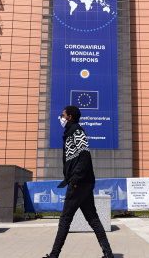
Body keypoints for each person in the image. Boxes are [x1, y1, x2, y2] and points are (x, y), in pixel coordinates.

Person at [44, 106, 114, 258]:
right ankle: (108, 254)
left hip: (79, 183)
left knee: (65, 220)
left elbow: (85, 157)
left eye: (62, 115)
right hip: (83, 183)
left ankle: (54, 255)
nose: (60, 117)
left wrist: (75, 180)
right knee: (93, 219)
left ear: (69, 117)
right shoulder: (71, 133)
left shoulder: (77, 132)